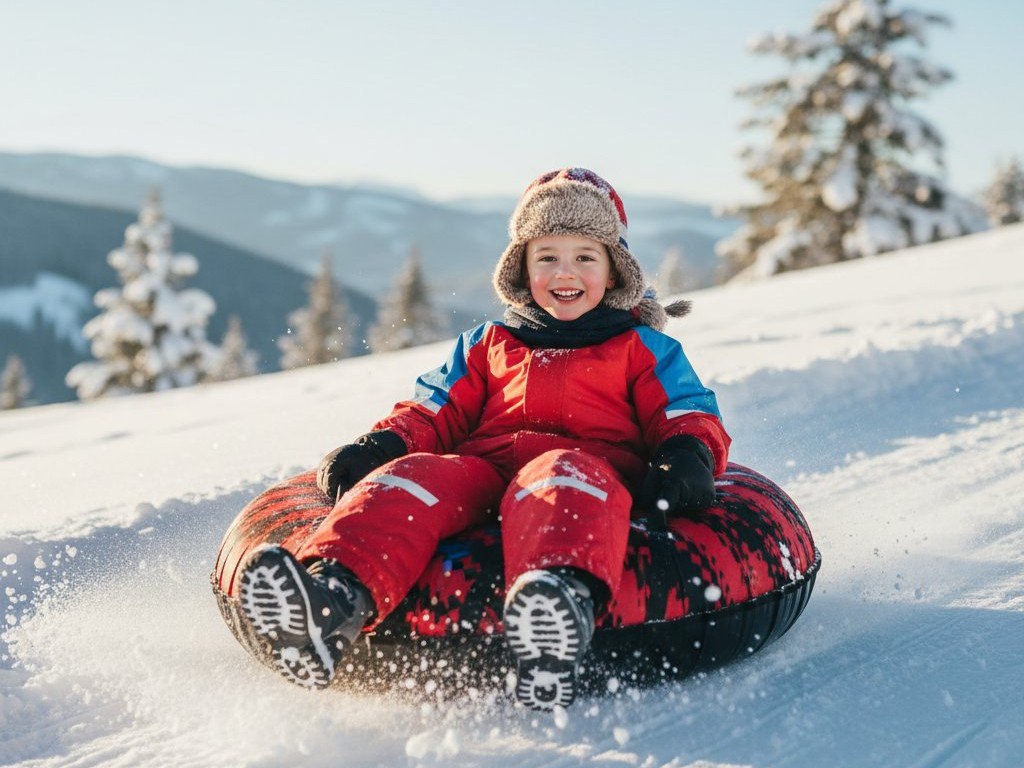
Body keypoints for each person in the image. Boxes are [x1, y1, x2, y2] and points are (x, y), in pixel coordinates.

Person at [238, 168, 730, 710]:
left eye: (585, 257)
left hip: (588, 469)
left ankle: (554, 614)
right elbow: (434, 409)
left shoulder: (641, 349)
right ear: (521, 270)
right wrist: (382, 447)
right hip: (485, 470)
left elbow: (685, 410)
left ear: (615, 273)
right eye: (547, 257)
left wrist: (687, 455)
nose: (565, 273)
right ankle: (331, 602)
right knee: (412, 479)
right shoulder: (488, 344)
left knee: (561, 473)